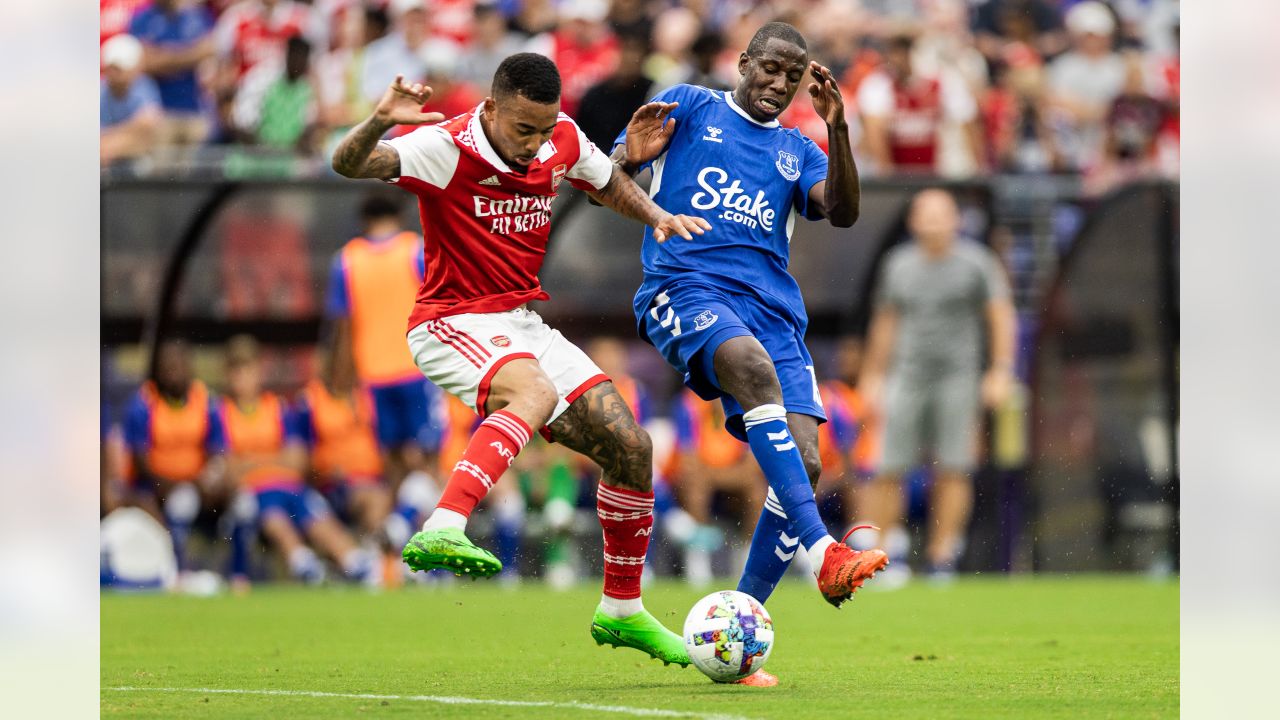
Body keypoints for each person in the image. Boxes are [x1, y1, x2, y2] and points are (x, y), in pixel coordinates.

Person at [330, 53, 709, 665]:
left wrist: (658, 214)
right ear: (490, 109)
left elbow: (605, 180)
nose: (535, 144)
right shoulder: (444, 146)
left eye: (544, 128)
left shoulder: (560, 138)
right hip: (450, 320)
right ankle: (444, 524)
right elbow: (347, 164)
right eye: (522, 130)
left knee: (631, 447)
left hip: (520, 323)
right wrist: (378, 121)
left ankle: (622, 612)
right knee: (531, 392)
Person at [613, 21, 886, 686]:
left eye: (791, 76)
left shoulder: (799, 149)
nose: (777, 83)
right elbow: (601, 177)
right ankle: (824, 551)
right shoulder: (691, 105)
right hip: (684, 286)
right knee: (751, 370)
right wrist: (627, 157)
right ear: (744, 62)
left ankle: (735, 633)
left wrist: (839, 129)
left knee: (810, 457)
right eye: (769, 68)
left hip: (775, 315)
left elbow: (844, 212)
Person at [858, 188, 1017, 581]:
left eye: (940, 213)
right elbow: (886, 321)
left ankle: (941, 557)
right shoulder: (898, 264)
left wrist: (999, 369)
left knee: (954, 467)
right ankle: (885, 556)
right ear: (912, 221)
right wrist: (872, 375)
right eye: (924, 213)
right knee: (887, 466)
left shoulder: (977, 263)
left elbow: (1000, 315)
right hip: (906, 375)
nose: (931, 221)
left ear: (956, 220)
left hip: (958, 377)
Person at [325, 188, 444, 541]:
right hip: (418, 368)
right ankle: (428, 538)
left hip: (373, 376)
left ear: (364, 221)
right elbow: (440, 304)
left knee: (392, 465)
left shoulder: (346, 260)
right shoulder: (415, 249)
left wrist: (340, 381)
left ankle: (399, 539)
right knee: (430, 460)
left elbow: (343, 327)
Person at [218, 335, 376, 585]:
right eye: (237, 371)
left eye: (248, 369)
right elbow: (229, 469)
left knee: (316, 515)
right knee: (274, 516)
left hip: (291, 487)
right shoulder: (221, 413)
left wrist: (251, 460)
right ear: (228, 375)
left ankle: (355, 563)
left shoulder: (277, 408)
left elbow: (298, 460)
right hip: (255, 492)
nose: (244, 378)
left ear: (259, 371)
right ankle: (303, 564)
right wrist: (274, 458)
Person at [123, 340, 226, 573]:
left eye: (178, 366)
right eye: (167, 368)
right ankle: (178, 573)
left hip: (199, 485)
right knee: (182, 502)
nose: (173, 373)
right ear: (157, 371)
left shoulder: (206, 402)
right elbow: (141, 464)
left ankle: (240, 576)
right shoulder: (143, 405)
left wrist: (209, 480)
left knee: (243, 504)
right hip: (155, 488)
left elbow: (217, 452)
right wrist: (179, 485)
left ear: (190, 367)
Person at [128, 0, 217, 148]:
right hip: (160, 113)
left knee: (199, 169)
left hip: (196, 111)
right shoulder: (142, 18)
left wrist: (165, 56)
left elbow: (209, 49)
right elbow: (145, 61)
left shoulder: (196, 15)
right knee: (162, 169)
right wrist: (191, 55)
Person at [101, 34, 164, 166]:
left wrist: (110, 142)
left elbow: (147, 124)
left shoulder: (144, 87)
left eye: (119, 69)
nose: (115, 73)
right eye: (113, 68)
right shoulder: (100, 90)